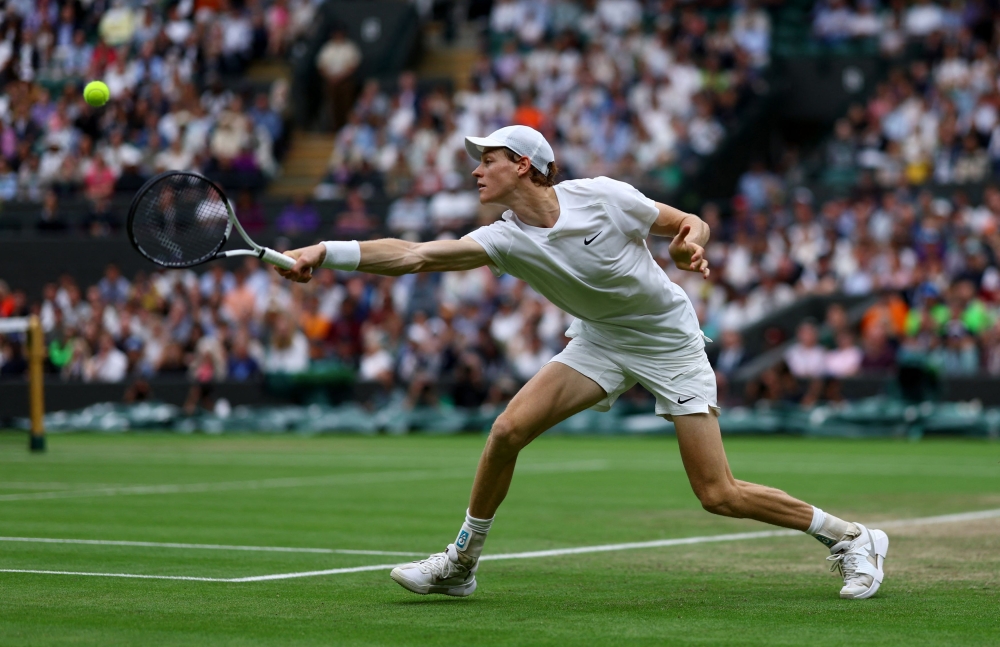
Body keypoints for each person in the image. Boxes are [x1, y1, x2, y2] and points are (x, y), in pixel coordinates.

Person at [276, 125, 888, 600]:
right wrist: (325, 250)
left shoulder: (603, 197)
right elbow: (413, 255)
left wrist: (689, 243)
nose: (476, 170)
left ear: (523, 165)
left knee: (716, 493)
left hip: (670, 344)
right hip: (600, 340)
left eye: (487, 159)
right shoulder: (503, 237)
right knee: (507, 431)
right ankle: (461, 563)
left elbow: (689, 222)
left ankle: (853, 537)